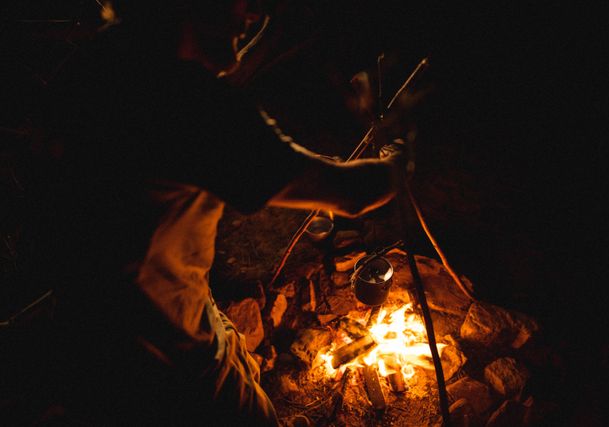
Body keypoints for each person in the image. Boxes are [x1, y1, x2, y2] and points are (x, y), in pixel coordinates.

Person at [28, 1, 410, 425]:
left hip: (94, 326)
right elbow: (350, 194)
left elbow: (229, 107)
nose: (236, 48)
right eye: (236, 20)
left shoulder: (102, 62)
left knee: (235, 353)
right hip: (163, 352)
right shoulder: (189, 106)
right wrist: (402, 163)